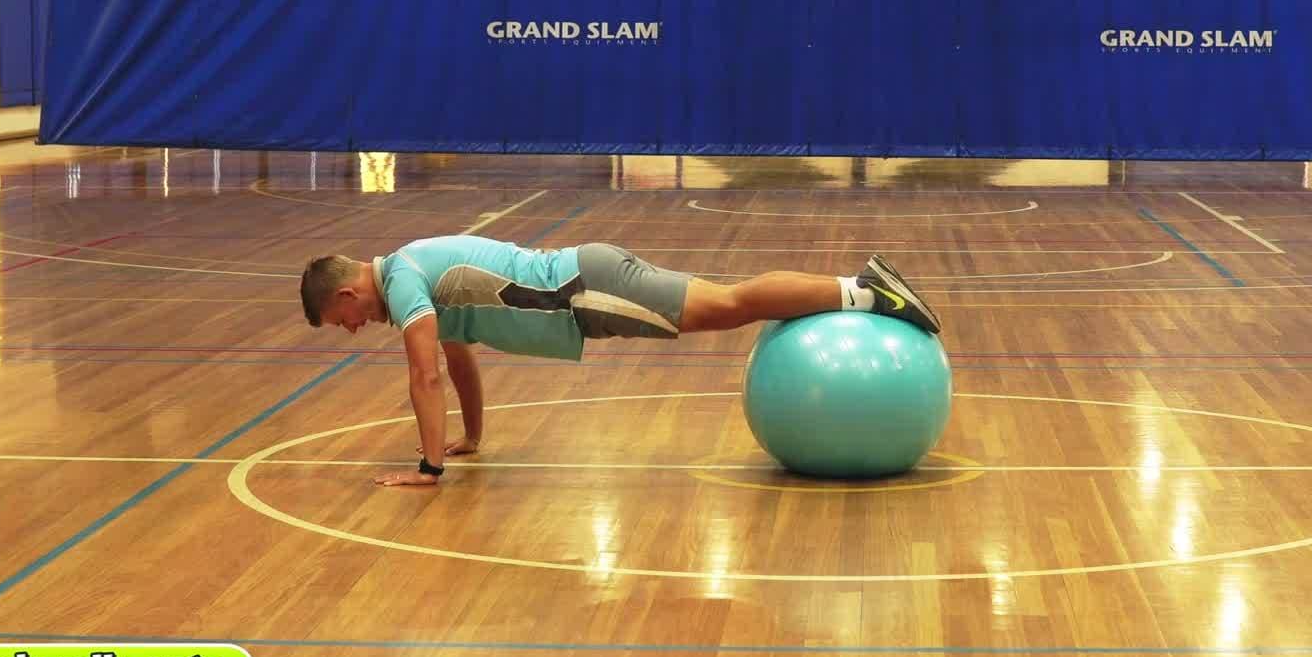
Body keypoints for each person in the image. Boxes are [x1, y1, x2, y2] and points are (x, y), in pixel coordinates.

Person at [298, 237, 941, 487]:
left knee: (729, 305)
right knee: (727, 303)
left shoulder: (403, 281)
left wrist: (428, 469)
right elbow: (457, 358)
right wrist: (472, 437)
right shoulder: (413, 272)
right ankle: (860, 290)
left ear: (349, 294)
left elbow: (424, 374)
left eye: (343, 321)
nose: (354, 329)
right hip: (588, 281)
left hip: (586, 290)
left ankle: (864, 291)